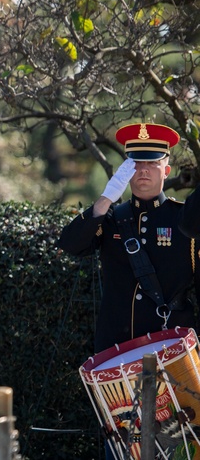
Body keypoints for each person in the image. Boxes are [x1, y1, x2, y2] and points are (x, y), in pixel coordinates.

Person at [59, 123, 200, 353]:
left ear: (166, 170)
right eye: (136, 163)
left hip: (172, 348)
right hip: (117, 349)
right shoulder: (110, 217)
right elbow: (71, 244)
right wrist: (105, 199)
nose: (143, 170)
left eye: (153, 163)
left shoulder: (185, 221)